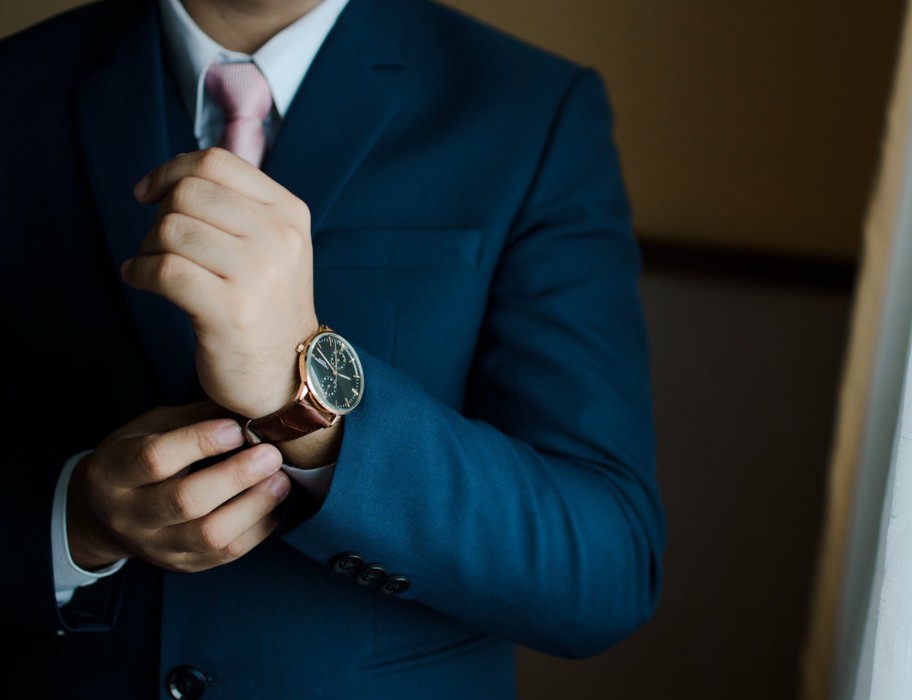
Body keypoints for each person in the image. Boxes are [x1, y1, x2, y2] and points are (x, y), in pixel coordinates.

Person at [0, 0, 666, 697]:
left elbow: (606, 572)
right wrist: (73, 518)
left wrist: (309, 406)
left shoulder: (534, 112)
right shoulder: (17, 88)